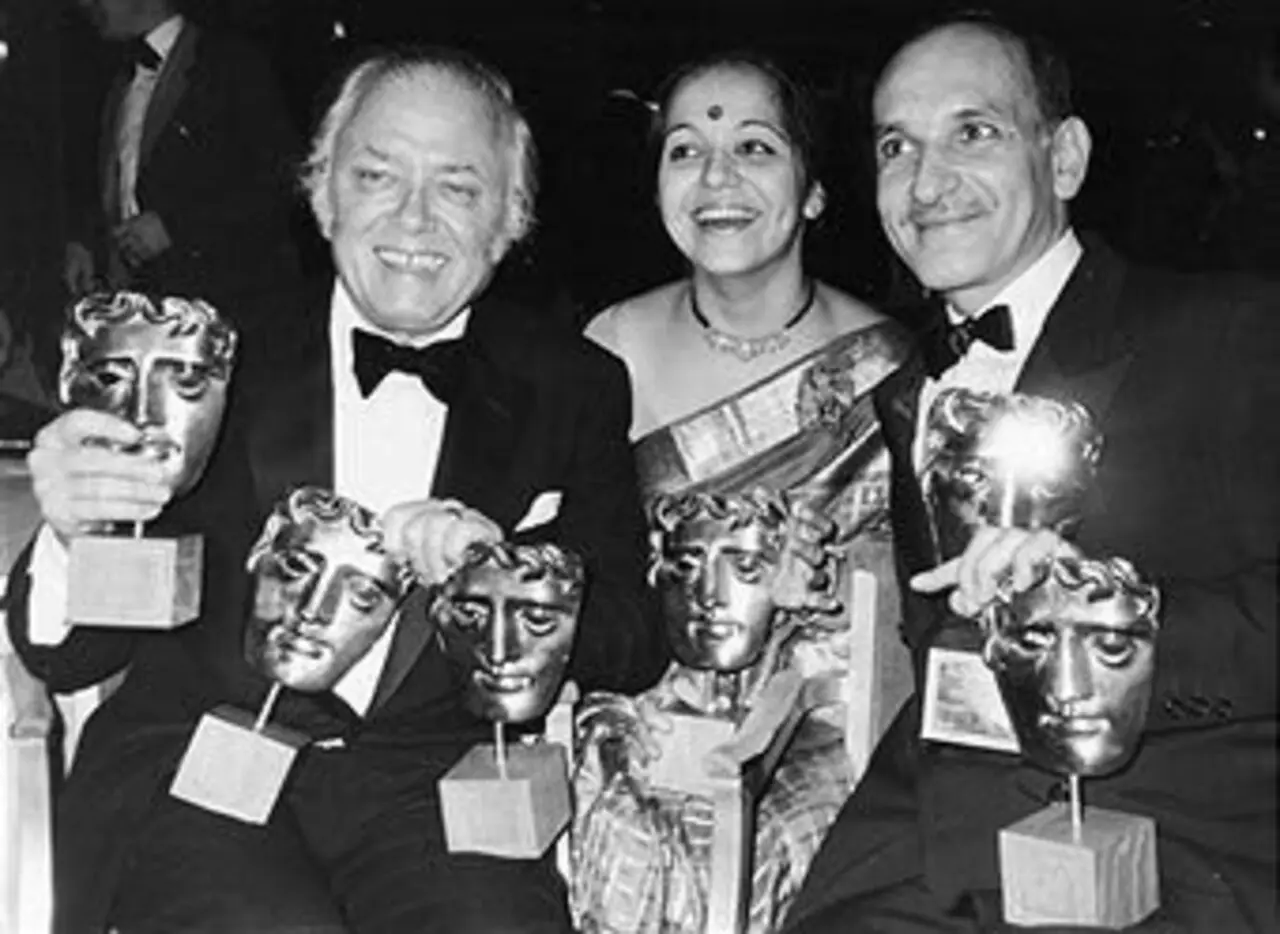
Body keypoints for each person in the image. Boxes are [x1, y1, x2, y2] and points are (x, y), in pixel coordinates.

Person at [7, 46, 668, 933]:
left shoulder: (575, 383)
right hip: (195, 769)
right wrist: (70, 528)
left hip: (431, 799)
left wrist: (501, 578)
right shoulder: (204, 355)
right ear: (323, 192)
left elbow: (633, 638)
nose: (414, 218)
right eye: (377, 175)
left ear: (510, 219)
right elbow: (68, 656)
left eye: (459, 188)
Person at [783, 11, 1278, 932]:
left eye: (974, 133)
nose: (927, 183)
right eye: (898, 145)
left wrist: (1104, 625)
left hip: (1171, 833)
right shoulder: (904, 393)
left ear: (1065, 159)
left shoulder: (1233, 333)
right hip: (926, 840)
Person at [581, 51, 914, 933]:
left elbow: (907, 589)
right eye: (685, 150)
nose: (717, 177)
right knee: (626, 819)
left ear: (812, 190)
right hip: (644, 691)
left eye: (756, 148)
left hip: (823, 709)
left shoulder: (887, 365)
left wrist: (834, 584)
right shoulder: (606, 347)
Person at [63, 0, 302, 361]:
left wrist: (176, 226)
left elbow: (282, 180)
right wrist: (87, 243)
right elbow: (122, 184)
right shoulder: (118, 76)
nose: (85, 5)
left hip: (231, 311)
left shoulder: (231, 61)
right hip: (151, 313)